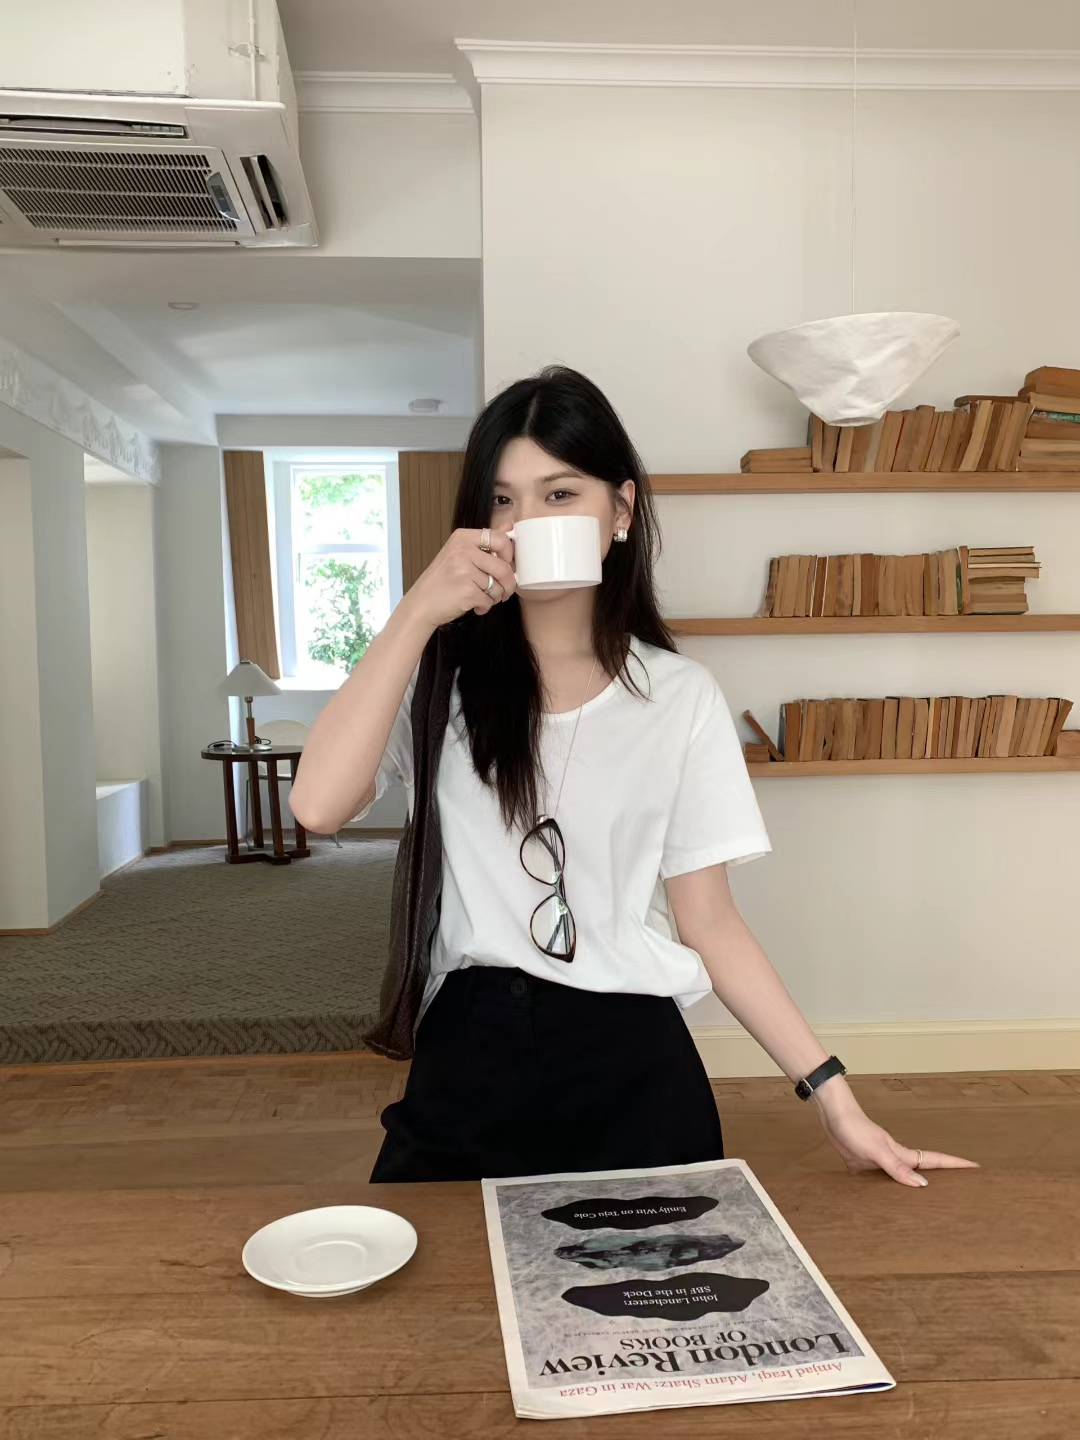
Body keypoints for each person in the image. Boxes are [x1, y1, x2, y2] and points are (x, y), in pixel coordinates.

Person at [291, 365, 979, 1190]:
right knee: (437, 1271)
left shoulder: (678, 697)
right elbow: (318, 806)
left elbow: (709, 921)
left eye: (559, 495)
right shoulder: (438, 681)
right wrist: (416, 611)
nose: (525, 522)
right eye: (503, 501)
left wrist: (834, 1098)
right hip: (469, 1051)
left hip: (633, 1058)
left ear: (619, 511)